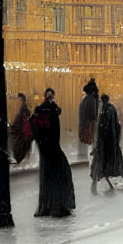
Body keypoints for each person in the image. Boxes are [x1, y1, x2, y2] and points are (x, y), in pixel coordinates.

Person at [30, 87, 76, 217]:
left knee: (48, 178)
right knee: (59, 175)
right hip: (52, 149)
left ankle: (48, 206)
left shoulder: (43, 111)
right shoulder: (53, 111)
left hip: (47, 149)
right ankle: (57, 205)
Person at [90, 93, 123, 191]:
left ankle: (95, 184)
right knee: (117, 162)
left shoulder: (102, 110)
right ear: (108, 99)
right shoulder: (111, 108)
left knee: (101, 163)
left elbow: (101, 128)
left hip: (103, 144)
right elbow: (114, 126)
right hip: (111, 143)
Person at [78, 77, 99, 148]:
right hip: (91, 117)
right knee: (91, 128)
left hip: (86, 117)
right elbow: (94, 108)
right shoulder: (94, 97)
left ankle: (86, 140)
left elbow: (81, 112)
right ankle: (90, 140)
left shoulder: (84, 100)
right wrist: (95, 117)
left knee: (86, 128)